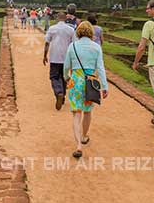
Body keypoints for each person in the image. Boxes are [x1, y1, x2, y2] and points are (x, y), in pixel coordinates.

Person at [63, 21, 108, 158]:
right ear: (91, 33)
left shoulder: (73, 46)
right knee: (87, 112)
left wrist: (66, 77)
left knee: (77, 113)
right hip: (90, 81)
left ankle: (78, 145)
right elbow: (100, 68)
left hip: (76, 80)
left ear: (78, 32)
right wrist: (104, 86)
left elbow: (66, 66)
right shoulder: (96, 47)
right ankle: (83, 136)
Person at [132, 0, 154, 139]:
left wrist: (135, 62)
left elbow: (142, 46)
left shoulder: (149, 24)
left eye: (148, 8)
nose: (146, 11)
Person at [43, 11, 76, 110]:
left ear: (57, 18)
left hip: (54, 57)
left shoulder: (52, 28)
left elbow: (47, 43)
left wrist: (44, 55)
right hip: (66, 57)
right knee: (64, 77)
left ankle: (59, 92)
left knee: (54, 77)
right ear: (65, 18)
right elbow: (73, 44)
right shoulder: (71, 30)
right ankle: (63, 96)